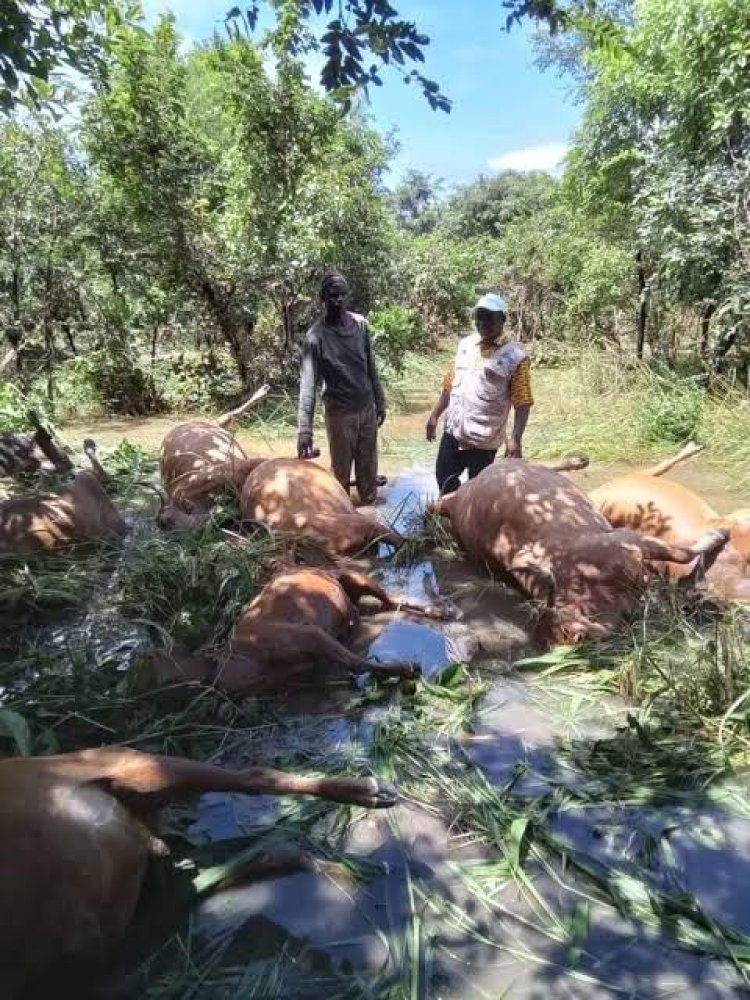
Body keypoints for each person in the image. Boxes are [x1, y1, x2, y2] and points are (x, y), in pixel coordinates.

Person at [425, 292, 533, 495]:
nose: (483, 322)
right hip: (454, 431)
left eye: (489, 317)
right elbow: (450, 384)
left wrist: (515, 439)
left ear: (503, 319)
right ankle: (448, 520)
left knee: (479, 491)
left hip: (484, 439)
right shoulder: (465, 345)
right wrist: (434, 416)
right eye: (479, 317)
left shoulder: (515, 356)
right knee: (444, 477)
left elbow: (523, 402)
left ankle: (471, 523)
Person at [297, 272, 386, 504]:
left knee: (368, 473)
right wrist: (304, 431)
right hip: (339, 415)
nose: (338, 300)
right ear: (322, 298)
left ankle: (370, 525)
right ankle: (343, 523)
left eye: (342, 295)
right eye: (333, 295)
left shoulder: (360, 325)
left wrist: (380, 401)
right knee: (340, 478)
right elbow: (308, 385)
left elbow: (370, 366)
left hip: (366, 410)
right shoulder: (315, 337)